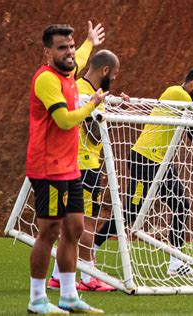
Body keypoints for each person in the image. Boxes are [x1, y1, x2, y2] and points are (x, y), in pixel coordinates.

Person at [93, 67, 193, 276]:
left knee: (180, 204)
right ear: (192, 84)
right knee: (129, 214)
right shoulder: (179, 95)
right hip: (144, 160)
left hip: (160, 163)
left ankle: (176, 263)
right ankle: (91, 249)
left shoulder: (178, 98)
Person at [26, 22, 108, 314]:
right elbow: (64, 121)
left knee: (73, 228)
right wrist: (93, 105)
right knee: (49, 231)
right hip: (47, 167)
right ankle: (37, 299)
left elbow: (82, 58)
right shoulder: (46, 80)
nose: (70, 53)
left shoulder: (69, 69)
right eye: (63, 48)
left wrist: (89, 42)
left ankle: (69, 296)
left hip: (69, 167)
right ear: (48, 52)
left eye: (71, 47)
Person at [47, 50, 128, 292]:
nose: (113, 80)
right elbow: (93, 136)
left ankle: (58, 276)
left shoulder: (77, 87)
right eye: (113, 75)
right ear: (105, 71)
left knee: (71, 225)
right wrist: (105, 110)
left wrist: (112, 107)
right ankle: (89, 276)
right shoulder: (86, 94)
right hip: (85, 165)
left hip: (74, 164)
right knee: (86, 224)